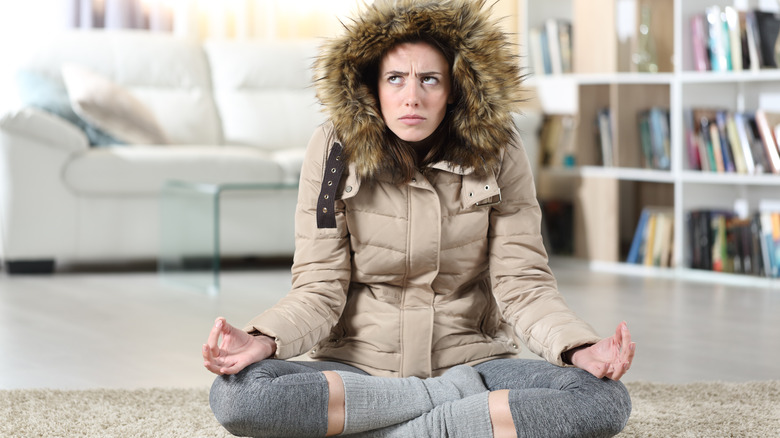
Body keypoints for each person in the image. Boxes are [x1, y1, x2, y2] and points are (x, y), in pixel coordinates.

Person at [203, 1, 635, 437]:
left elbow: (522, 283)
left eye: (430, 79)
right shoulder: (333, 150)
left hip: (473, 364)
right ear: (372, 88)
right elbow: (319, 286)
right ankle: (448, 418)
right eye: (396, 79)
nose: (412, 96)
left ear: (454, 89)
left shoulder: (499, 149)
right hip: (359, 370)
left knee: (602, 400)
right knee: (238, 395)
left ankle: (374, 425)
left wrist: (577, 347)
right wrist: (266, 339)